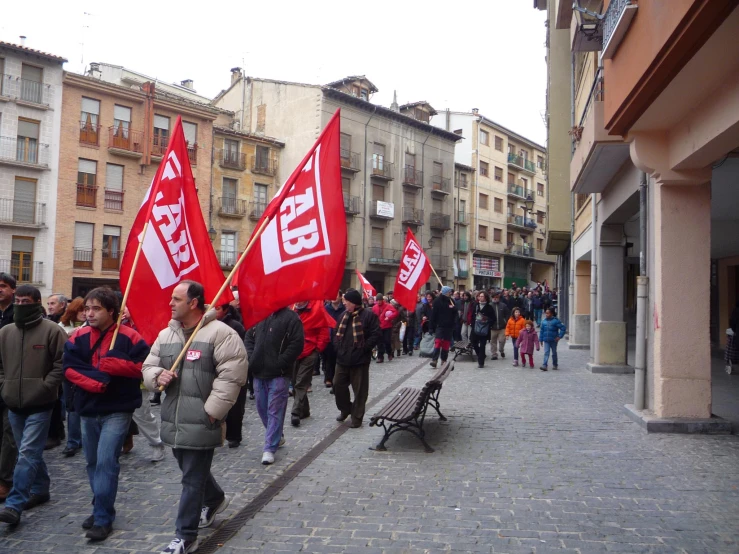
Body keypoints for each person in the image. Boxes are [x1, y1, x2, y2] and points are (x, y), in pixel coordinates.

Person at [143, 280, 247, 554]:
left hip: (202, 418)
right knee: (190, 469)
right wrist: (157, 376)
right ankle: (214, 499)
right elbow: (149, 365)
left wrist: (212, 412)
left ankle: (185, 535)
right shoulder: (167, 334)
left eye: (176, 299)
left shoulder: (221, 333)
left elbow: (232, 375)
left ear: (193, 303)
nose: (170, 303)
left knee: (190, 478)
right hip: (174, 418)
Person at [63, 287, 150, 541]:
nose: (89, 313)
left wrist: (119, 366)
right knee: (92, 462)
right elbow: (69, 368)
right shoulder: (77, 337)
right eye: (87, 308)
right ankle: (100, 504)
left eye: (96, 308)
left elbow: (145, 367)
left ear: (111, 311)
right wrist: (98, 381)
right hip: (88, 409)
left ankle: (102, 518)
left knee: (105, 461)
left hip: (117, 409)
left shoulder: (130, 337)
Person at [0, 285, 66, 526]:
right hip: (13, 404)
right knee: (28, 452)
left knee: (27, 453)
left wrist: (45, 387)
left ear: (37, 303)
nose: (19, 305)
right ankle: (41, 488)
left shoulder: (52, 331)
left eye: (25, 301)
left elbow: (61, 363)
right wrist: (4, 386)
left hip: (41, 404)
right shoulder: (6, 332)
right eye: (17, 301)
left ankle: (14, 504)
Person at [244, 307, 304, 465]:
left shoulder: (291, 318)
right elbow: (249, 338)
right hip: (258, 372)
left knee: (275, 410)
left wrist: (281, 362)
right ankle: (278, 435)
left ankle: (269, 447)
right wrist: (251, 358)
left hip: (279, 374)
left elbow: (297, 344)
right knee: (262, 408)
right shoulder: (259, 314)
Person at [333, 289, 381, 428]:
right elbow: (336, 334)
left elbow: (376, 334)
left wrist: (364, 348)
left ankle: (357, 417)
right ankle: (346, 409)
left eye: (346, 301)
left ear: (353, 302)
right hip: (342, 359)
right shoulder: (343, 316)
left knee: (360, 391)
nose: (344, 303)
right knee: (338, 386)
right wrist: (338, 348)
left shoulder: (368, 315)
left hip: (360, 360)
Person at [290, 301, 332, 427]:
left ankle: (295, 412)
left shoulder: (317, 308)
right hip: (294, 351)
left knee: (301, 382)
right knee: (294, 381)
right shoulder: (292, 309)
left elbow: (324, 329)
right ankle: (305, 410)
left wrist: (318, 348)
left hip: (310, 350)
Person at [214, 303, 248, 448]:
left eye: (217, 308)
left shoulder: (236, 327)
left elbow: (242, 350)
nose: (214, 311)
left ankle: (234, 435)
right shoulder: (208, 327)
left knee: (235, 406)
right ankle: (216, 435)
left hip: (234, 370)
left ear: (225, 310)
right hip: (215, 370)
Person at [58, 297, 86, 457]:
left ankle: (80, 439)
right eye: (80, 310)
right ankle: (73, 441)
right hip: (68, 371)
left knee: (83, 406)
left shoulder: (91, 326)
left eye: (86, 309)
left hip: (84, 371)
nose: (84, 313)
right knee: (72, 407)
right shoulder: (61, 327)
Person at [0, 273, 18, 502]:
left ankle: (5, 479)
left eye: (3, 286)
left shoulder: (18, 315)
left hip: (13, 379)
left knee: (9, 432)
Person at [429, 286, 457, 368]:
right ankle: (434, 359)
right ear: (445, 292)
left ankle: (444, 360)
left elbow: (455, 314)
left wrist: (455, 310)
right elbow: (433, 315)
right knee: (438, 342)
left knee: (446, 344)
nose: (450, 293)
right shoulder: (437, 301)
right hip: (440, 325)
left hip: (449, 326)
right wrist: (431, 327)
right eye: (449, 292)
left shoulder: (451, 301)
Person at [323, 291, 346, 388]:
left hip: (340, 336)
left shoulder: (344, 309)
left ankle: (337, 378)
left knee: (338, 358)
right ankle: (328, 378)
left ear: (341, 297)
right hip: (329, 335)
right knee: (328, 358)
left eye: (336, 295)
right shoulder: (326, 308)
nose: (334, 297)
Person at [470, 291, 496, 368]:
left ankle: (481, 362)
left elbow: (493, 319)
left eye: (482, 296)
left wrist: (487, 322)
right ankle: (481, 355)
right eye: (479, 296)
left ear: (486, 298)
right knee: (473, 342)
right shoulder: (476, 305)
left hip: (484, 329)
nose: (480, 298)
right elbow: (472, 316)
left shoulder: (489, 307)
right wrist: (472, 323)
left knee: (482, 345)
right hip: (475, 328)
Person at [371, 294, 397, 363]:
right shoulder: (374, 307)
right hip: (378, 327)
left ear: (382, 300)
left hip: (387, 326)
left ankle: (389, 353)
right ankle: (380, 357)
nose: (379, 302)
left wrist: (389, 317)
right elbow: (372, 316)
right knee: (379, 342)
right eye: (378, 301)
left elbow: (395, 312)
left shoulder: (388, 306)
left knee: (387, 341)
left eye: (380, 300)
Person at [489, 293, 510, 360]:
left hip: (502, 327)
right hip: (492, 327)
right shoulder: (489, 305)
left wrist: (505, 321)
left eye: (497, 297)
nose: (495, 298)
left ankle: (501, 350)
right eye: (494, 297)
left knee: (502, 340)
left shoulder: (503, 305)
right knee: (493, 341)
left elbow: (508, 314)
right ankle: (494, 354)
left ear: (499, 298)